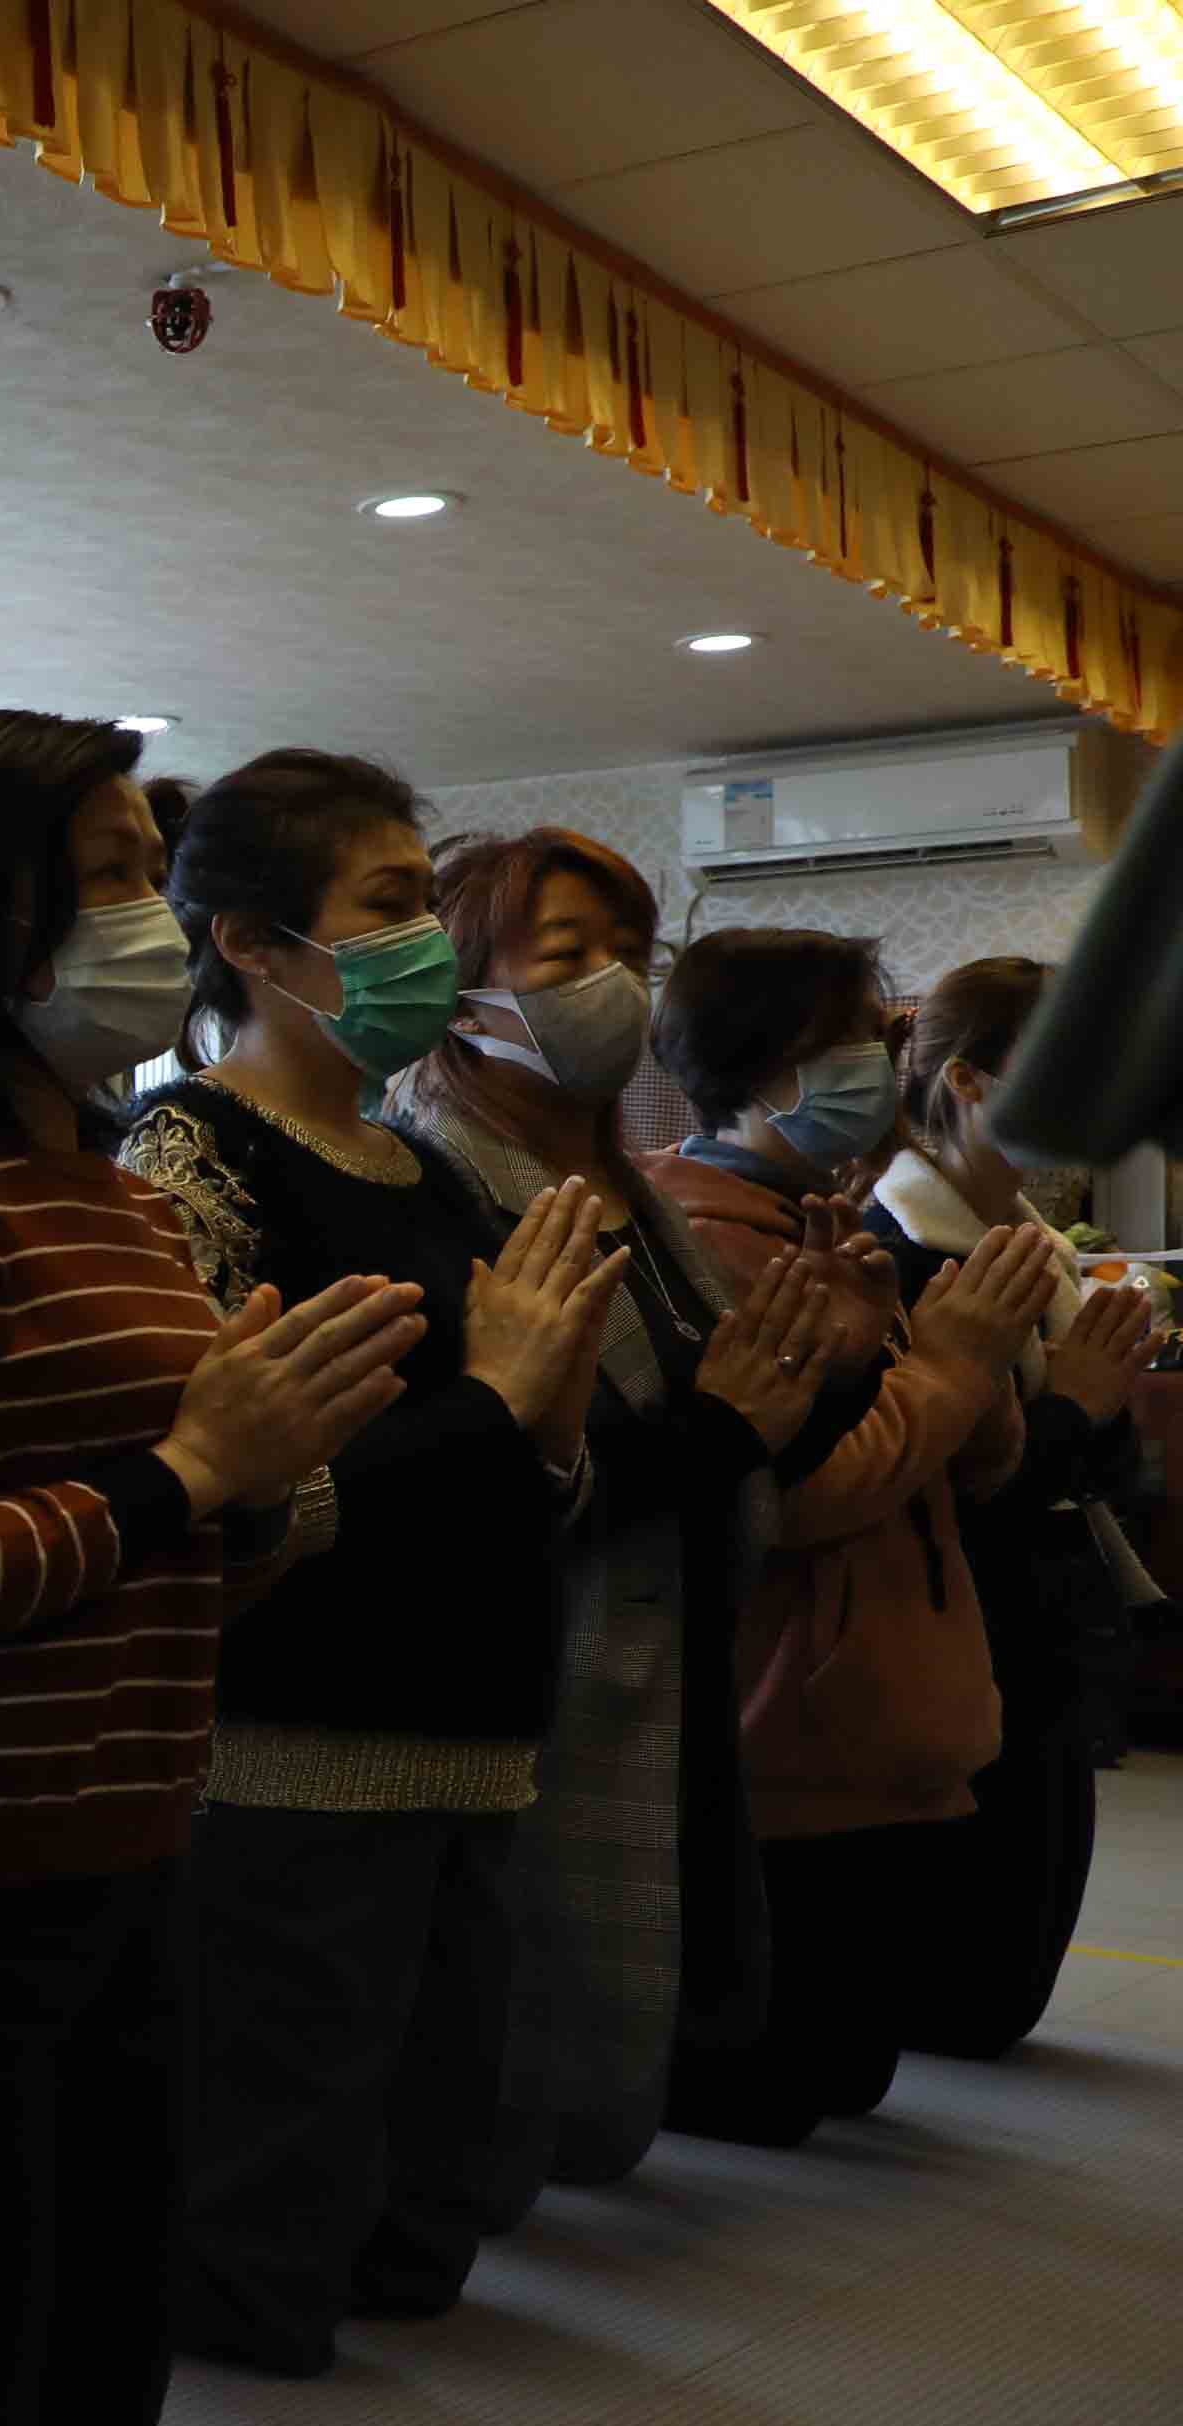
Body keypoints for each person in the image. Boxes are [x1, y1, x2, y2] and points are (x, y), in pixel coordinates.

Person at [0, 710, 422, 2426]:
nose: (153, 916)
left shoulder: (118, 1194)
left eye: (148, 869)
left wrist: (265, 1480)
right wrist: (190, 1473)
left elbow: (185, 1550)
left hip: (123, 1845)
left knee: (89, 2407)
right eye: (108, 875)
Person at [120, 752, 623, 2375]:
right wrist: (494, 1405)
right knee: (272, 2215)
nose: (425, 944)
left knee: (428, 2196)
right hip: (293, 1737)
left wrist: (546, 1422)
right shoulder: (186, 1159)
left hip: (471, 1727)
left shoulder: (429, 1167)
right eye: (390, 904)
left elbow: (519, 1450)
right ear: (252, 943)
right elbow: (239, 1487)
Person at [397, 827, 836, 2210]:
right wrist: (723, 1429)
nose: (611, 986)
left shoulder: (630, 1186)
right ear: (462, 986)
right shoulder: (439, 1174)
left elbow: (723, 1411)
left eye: (629, 955)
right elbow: (505, 1462)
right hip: (538, 1657)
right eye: (568, 953)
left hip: (668, 1631)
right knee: (520, 2022)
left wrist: (820, 1375)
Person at [637, 926, 1064, 2144]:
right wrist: (952, 1366)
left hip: (884, 1691)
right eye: (851, 1042)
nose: (883, 1067)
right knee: (781, 2084)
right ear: (763, 1064)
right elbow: (801, 1493)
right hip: (798, 1706)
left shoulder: (824, 1219)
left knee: (851, 2066)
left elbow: (968, 1467)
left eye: (880, 1038)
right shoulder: (705, 1236)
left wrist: (977, 1374)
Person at [862, 955, 1153, 2057]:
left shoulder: (1039, 1248)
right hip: (957, 1628)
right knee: (969, 1996)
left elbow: (1096, 1465)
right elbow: (936, 1487)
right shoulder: (897, 1250)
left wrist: (1096, 1406)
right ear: (972, 1080)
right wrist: (1073, 1408)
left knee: (1009, 1986)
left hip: (1049, 1631)